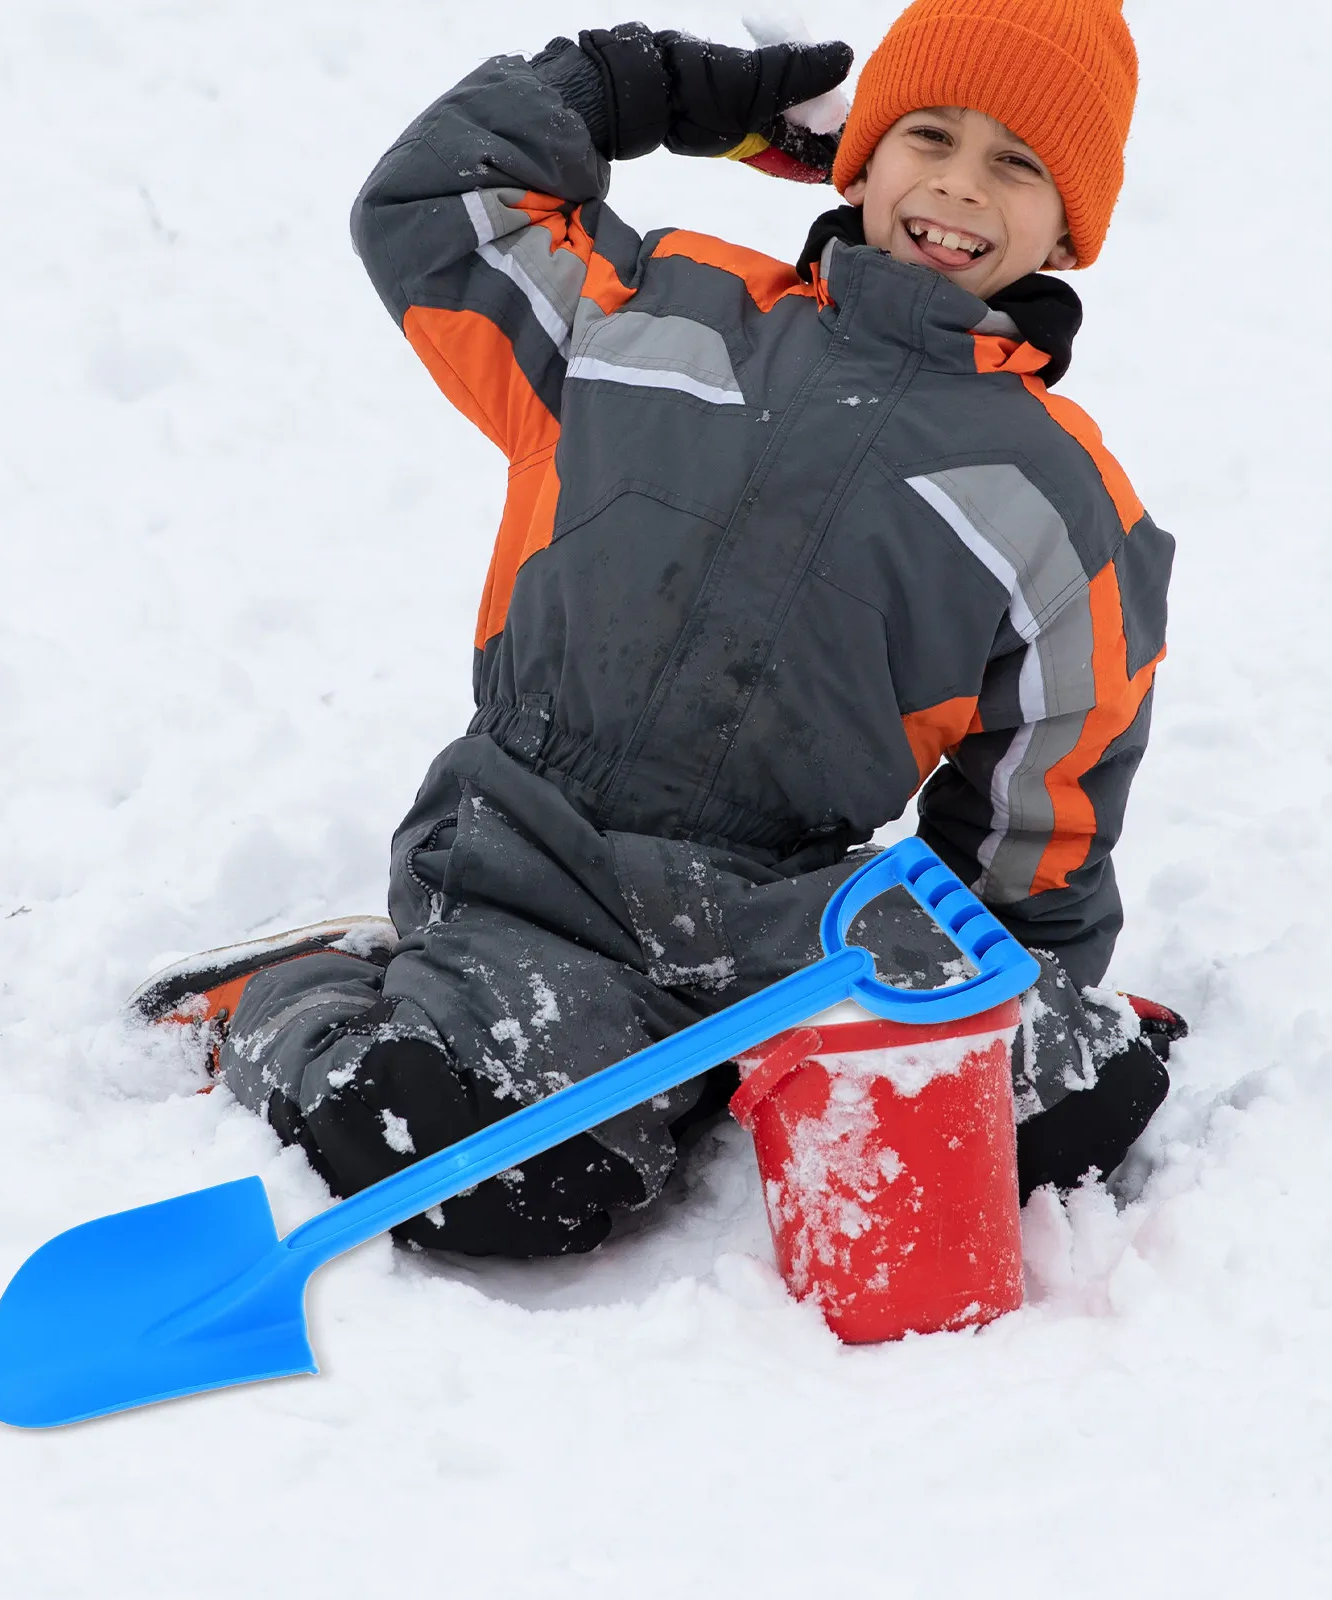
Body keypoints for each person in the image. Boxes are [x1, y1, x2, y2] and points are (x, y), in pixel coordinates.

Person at [134, 0, 1186, 1256]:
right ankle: (296, 994)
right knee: (467, 1162)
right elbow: (430, 205)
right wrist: (632, 88)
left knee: (1074, 1116)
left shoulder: (1068, 510)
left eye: (1015, 163)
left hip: (775, 912)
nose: (959, 186)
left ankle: (757, 1061)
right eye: (928, 136)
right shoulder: (650, 314)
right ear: (859, 159)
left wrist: (1023, 1009)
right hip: (531, 852)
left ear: (1069, 226)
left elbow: (1041, 814)